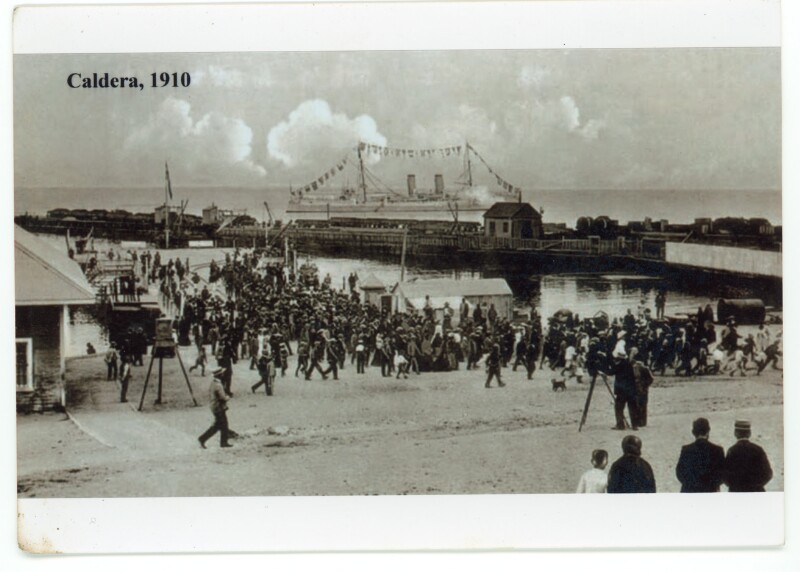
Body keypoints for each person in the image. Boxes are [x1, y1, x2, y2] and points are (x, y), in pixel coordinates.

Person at [675, 417, 726, 493]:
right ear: (708, 431)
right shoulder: (717, 450)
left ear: (693, 432)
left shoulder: (686, 450)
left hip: (690, 491)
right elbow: (723, 474)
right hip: (710, 491)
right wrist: (711, 484)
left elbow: (680, 472)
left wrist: (690, 484)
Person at [723, 420, 773, 492]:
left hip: (737, 492)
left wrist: (735, 486)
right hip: (756, 492)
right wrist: (757, 485)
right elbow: (768, 474)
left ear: (735, 433)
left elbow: (725, 476)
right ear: (749, 433)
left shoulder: (732, 451)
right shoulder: (758, 449)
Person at [199, 369, 233, 449]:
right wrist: (228, 397)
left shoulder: (213, 383)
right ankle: (205, 439)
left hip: (215, 406)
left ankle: (222, 441)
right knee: (222, 425)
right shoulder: (218, 385)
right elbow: (223, 398)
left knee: (220, 425)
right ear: (220, 375)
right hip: (219, 407)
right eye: (222, 374)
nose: (223, 375)